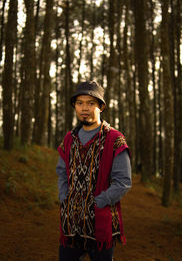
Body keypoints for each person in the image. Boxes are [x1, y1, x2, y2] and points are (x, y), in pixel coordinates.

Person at [56, 81, 132, 261]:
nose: (84, 108)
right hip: (70, 224)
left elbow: (123, 181)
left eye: (91, 103)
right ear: (75, 106)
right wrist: (64, 198)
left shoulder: (115, 139)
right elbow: (61, 172)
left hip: (100, 224)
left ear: (101, 107)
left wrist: (98, 203)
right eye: (80, 103)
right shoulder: (69, 139)